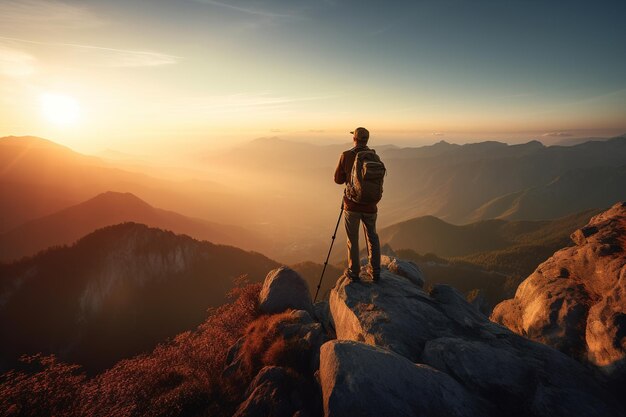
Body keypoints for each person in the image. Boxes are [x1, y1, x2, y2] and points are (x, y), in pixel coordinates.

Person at [333, 127, 382, 282]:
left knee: (353, 239)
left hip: (352, 205)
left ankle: (354, 272)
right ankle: (376, 272)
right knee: (372, 237)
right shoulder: (375, 157)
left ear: (354, 139)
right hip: (370, 206)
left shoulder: (346, 155)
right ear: (366, 140)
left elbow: (338, 180)